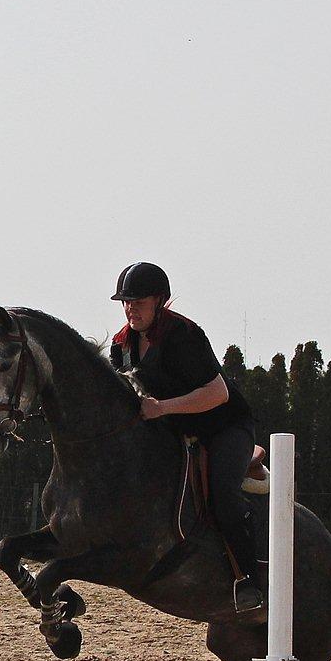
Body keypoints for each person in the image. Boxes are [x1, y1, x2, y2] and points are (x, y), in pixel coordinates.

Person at [109, 262, 264, 612]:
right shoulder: (122, 344)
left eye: (138, 302)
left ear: (159, 301)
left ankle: (249, 581)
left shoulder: (183, 335)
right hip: (177, 431)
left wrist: (161, 408)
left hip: (224, 427)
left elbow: (218, 393)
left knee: (222, 496)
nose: (130, 309)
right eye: (125, 302)